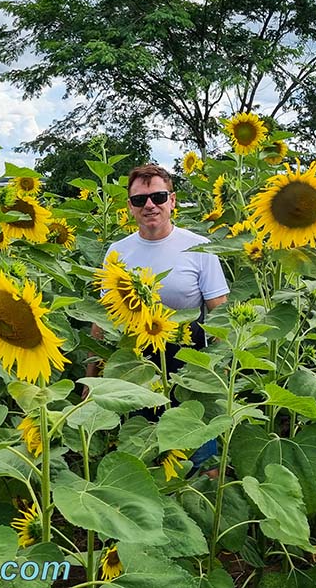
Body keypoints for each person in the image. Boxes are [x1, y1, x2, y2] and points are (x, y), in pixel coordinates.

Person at [88, 163, 229, 470]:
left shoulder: (199, 248)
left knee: (201, 457)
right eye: (140, 200)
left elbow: (219, 314)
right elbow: (102, 319)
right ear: (130, 207)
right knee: (143, 454)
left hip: (191, 366)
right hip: (136, 367)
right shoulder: (118, 251)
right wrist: (91, 378)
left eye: (158, 197)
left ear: (172, 200)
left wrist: (221, 374)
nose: (150, 205)